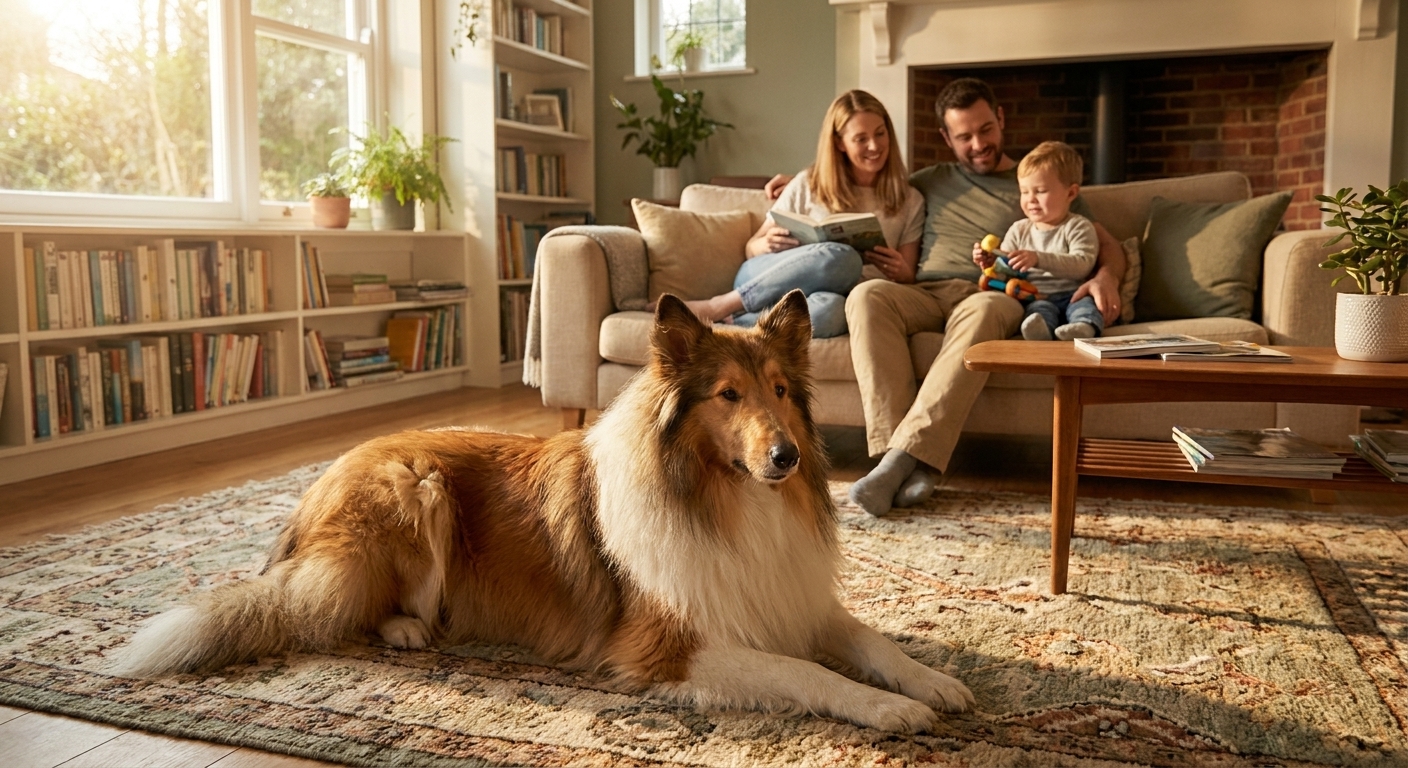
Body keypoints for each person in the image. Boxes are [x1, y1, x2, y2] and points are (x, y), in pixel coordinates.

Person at [768, 78, 1125, 515]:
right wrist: (796, 183)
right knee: (866, 295)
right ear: (946, 138)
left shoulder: (1036, 179)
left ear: (1001, 119)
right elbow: (862, 177)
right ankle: (891, 462)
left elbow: (1105, 242)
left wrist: (1107, 276)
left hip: (990, 291)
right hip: (921, 290)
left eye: (986, 130)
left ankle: (905, 459)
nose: (978, 144)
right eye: (964, 136)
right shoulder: (929, 180)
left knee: (981, 310)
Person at [682, 90, 924, 338]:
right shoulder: (808, 183)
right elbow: (751, 248)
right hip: (765, 278)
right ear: (840, 143)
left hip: (836, 294)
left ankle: (734, 322)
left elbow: (908, 275)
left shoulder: (909, 199)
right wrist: (764, 243)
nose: (874, 146)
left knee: (832, 313)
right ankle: (720, 305)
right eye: (861, 138)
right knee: (843, 257)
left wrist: (899, 270)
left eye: (880, 133)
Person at [974, 140, 1103, 341]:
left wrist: (1038, 259)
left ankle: (1082, 328)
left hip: (1074, 293)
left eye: (1040, 191)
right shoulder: (1019, 230)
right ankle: (1040, 333)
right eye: (1025, 192)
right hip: (1036, 295)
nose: (1031, 199)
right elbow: (1006, 269)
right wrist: (990, 261)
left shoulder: (1078, 226)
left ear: (1071, 193)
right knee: (1037, 312)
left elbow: (1082, 265)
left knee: (1087, 305)